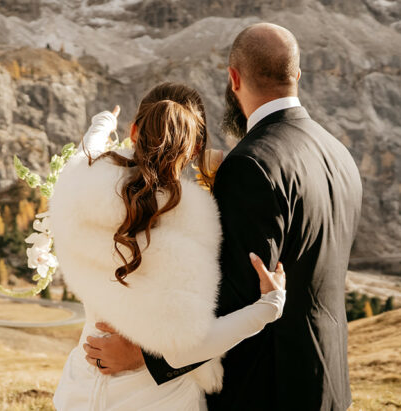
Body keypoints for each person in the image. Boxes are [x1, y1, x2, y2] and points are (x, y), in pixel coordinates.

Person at [84, 23, 363, 410]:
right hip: (328, 383)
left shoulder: (253, 163)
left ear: (234, 78)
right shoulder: (338, 154)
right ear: (297, 74)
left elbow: (234, 293)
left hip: (267, 389)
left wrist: (143, 357)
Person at [49, 82, 287, 411]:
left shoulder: (78, 186)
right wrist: (267, 309)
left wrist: (101, 125)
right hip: (154, 400)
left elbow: (85, 155)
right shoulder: (192, 222)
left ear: (133, 131)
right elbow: (182, 347)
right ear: (195, 147)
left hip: (81, 387)